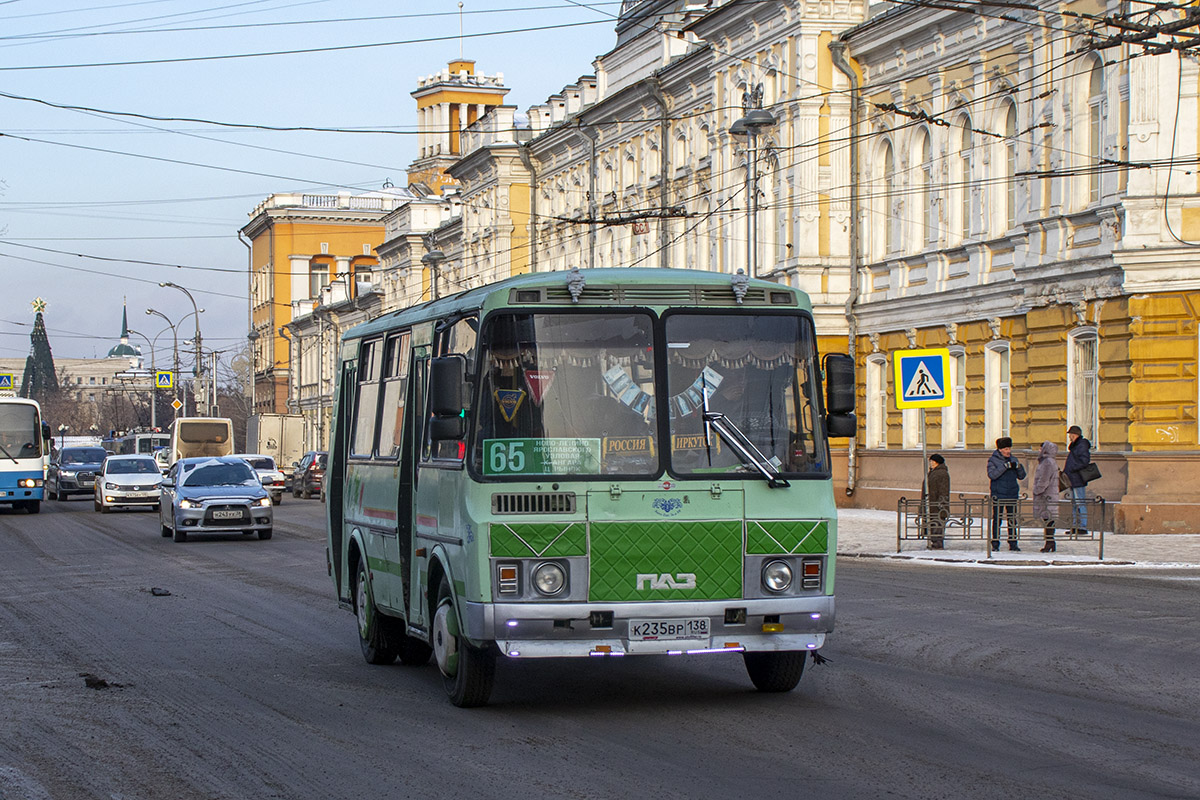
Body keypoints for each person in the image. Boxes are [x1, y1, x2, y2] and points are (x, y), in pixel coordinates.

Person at [986, 436, 1026, 551]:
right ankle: (995, 543)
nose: (1008, 451)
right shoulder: (993, 460)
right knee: (997, 519)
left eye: (1009, 448)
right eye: (1006, 449)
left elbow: (1022, 476)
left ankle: (1013, 543)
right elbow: (992, 475)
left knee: (1012, 519)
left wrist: (1018, 467)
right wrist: (1004, 467)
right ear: (1000, 449)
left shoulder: (1014, 459)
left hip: (1012, 493)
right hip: (998, 494)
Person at [1063, 424, 1091, 537]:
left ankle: (1082, 526)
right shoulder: (1076, 446)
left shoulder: (1081, 445)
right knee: (1075, 503)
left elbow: (1084, 461)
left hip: (1078, 478)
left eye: (1071, 435)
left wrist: (1073, 468)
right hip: (1073, 478)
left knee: (1080, 502)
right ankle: (1075, 526)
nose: (1070, 437)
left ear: (1075, 435)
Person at [1031, 441, 1059, 552]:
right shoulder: (1049, 461)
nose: (1039, 450)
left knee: (1048, 519)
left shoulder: (1047, 462)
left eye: (1041, 448)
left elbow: (1044, 479)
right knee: (1048, 519)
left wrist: (1037, 490)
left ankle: (1050, 542)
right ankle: (1050, 542)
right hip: (1049, 494)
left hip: (1047, 496)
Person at [921, 453, 950, 549]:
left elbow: (944, 489)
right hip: (931, 502)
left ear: (937, 462)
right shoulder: (932, 472)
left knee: (937, 523)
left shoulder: (942, 473)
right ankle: (934, 541)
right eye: (930, 462)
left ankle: (937, 543)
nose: (931, 463)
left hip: (937, 503)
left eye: (933, 462)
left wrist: (941, 502)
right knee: (933, 522)